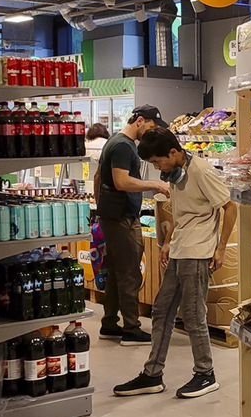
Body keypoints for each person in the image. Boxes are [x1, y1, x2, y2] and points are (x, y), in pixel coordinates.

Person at [114, 127, 237, 399]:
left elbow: (230, 207)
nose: (158, 167)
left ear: (173, 152)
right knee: (162, 310)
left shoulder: (202, 171)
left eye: (158, 161)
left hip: (198, 251)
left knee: (193, 314)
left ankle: (205, 373)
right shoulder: (174, 174)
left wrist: (221, 248)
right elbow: (181, 213)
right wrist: (168, 241)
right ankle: (152, 374)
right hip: (180, 248)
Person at [96, 106, 169, 345]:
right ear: (139, 121)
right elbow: (122, 181)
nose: (152, 132)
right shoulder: (122, 146)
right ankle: (131, 328)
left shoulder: (117, 142)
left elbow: (99, 178)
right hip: (121, 218)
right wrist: (156, 185)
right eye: (151, 126)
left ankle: (109, 324)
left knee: (117, 272)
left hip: (115, 216)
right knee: (130, 273)